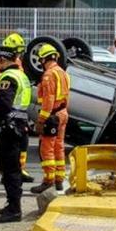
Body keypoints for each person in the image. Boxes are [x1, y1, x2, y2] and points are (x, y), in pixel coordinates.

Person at [0, 45, 33, 223]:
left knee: (10, 170)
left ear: (2, 60)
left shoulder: (7, 77)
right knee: (13, 168)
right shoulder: (21, 75)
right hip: (19, 126)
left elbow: (5, 105)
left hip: (9, 129)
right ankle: (11, 204)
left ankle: (14, 209)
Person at [0, 32, 35, 184]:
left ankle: (17, 171)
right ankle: (8, 173)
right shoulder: (0, 67)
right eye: (17, 50)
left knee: (21, 146)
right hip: (8, 116)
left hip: (18, 115)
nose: (19, 54)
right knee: (8, 150)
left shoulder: (15, 64)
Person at [30, 43, 71, 194]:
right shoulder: (63, 73)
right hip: (62, 113)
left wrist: (41, 120)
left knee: (46, 148)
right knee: (58, 146)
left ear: (43, 59)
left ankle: (48, 180)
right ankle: (59, 179)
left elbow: (49, 99)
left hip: (52, 115)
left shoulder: (48, 75)